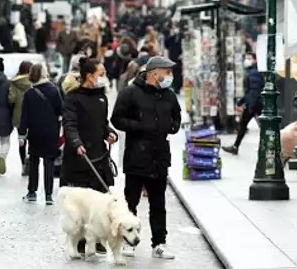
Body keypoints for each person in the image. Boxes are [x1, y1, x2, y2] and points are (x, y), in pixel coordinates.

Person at [110, 56, 181, 260]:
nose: (170, 77)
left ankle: (159, 243)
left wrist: (172, 126)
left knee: (158, 203)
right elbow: (116, 118)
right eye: (167, 73)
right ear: (154, 73)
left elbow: (176, 115)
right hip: (136, 156)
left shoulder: (168, 95)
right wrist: (139, 126)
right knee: (131, 201)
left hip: (159, 157)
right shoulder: (131, 92)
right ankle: (128, 242)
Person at [61, 57, 118, 255]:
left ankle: (98, 238)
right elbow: (69, 124)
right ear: (90, 76)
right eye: (101, 74)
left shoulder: (102, 98)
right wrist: (76, 143)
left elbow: (102, 124)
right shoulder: (72, 98)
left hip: (99, 157)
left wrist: (110, 133)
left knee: (100, 203)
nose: (104, 77)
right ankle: (80, 241)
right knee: (82, 203)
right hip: (80, 158)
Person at [19, 63, 62, 205]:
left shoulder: (29, 93)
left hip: (35, 132)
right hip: (51, 131)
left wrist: (21, 135)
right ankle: (49, 195)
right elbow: (60, 112)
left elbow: (24, 116)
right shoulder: (54, 91)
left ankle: (32, 192)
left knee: (34, 161)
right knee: (49, 162)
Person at [222, 52, 264, 155]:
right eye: (246, 58)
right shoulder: (252, 71)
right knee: (244, 125)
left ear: (255, 60)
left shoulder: (254, 73)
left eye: (249, 58)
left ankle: (236, 147)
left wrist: (242, 102)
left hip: (253, 104)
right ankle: (236, 147)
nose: (247, 60)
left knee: (255, 126)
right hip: (253, 103)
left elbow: (253, 91)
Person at [9, 60, 33, 175]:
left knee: (22, 140)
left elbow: (11, 99)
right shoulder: (34, 81)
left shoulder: (14, 82)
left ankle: (23, 164)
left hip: (19, 115)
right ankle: (30, 163)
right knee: (32, 140)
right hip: (33, 115)